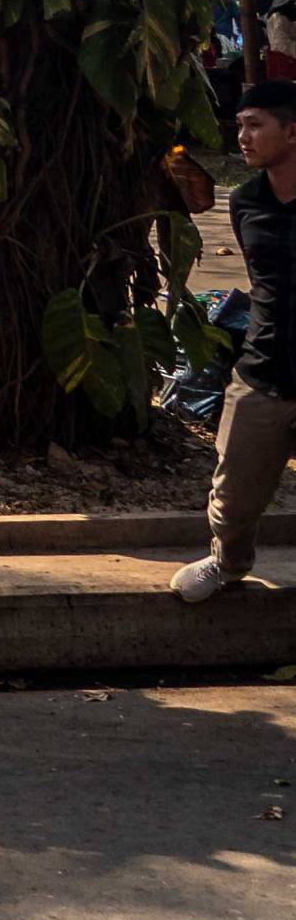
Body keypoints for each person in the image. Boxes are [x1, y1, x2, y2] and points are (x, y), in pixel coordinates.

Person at [181, 80, 296, 602]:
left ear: (292, 131)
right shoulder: (247, 201)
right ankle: (227, 564)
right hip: (264, 372)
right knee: (231, 498)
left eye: (255, 125)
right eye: (240, 126)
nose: (242, 137)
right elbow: (262, 283)